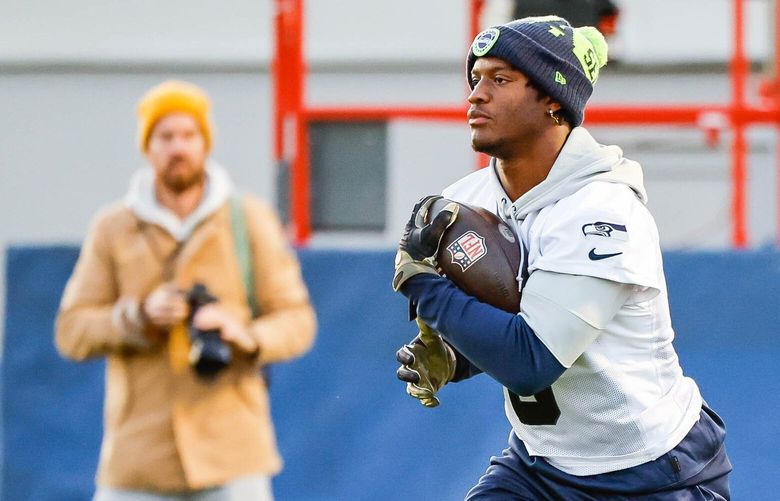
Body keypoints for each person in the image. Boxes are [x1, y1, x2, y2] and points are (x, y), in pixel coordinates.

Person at [392, 16, 731, 500]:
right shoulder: (468, 199)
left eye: (500, 79)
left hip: (650, 470)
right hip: (541, 466)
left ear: (553, 99)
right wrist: (454, 356)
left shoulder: (602, 211)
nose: (475, 95)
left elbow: (532, 360)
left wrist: (423, 285)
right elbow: (512, 313)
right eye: (476, 78)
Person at [55, 80, 316, 501]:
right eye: (165, 137)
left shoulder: (248, 219)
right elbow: (71, 330)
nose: (178, 148)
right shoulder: (113, 227)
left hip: (233, 457)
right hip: (139, 461)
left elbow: (297, 321)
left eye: (189, 135)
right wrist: (138, 317)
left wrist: (243, 333)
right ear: (147, 147)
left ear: (205, 142)